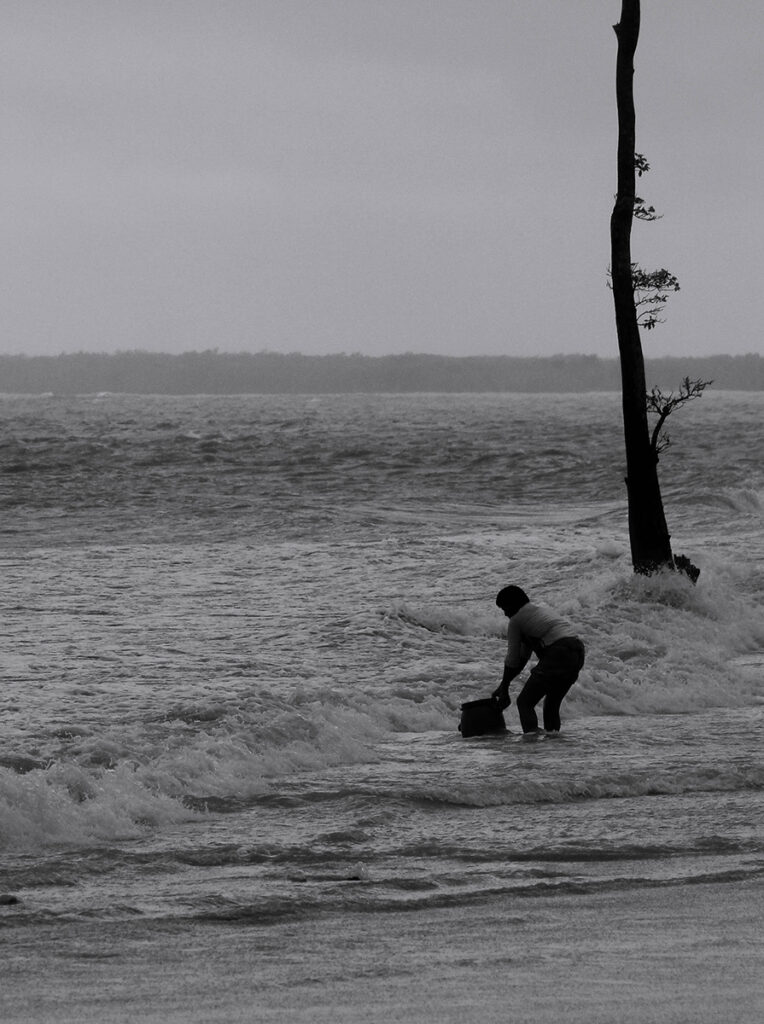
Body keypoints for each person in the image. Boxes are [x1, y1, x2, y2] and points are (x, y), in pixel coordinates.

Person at [491, 585, 585, 735]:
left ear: (513, 605)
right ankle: (552, 742)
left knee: (524, 703)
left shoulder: (516, 620)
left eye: (505, 608)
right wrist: (504, 686)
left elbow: (512, 659)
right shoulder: (538, 613)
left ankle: (533, 743)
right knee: (552, 704)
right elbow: (522, 659)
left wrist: (504, 687)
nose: (505, 614)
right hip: (577, 652)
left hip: (558, 652)